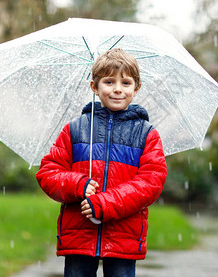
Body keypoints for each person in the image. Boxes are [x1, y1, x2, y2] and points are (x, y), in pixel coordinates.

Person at [36, 48, 167, 277]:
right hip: (79, 234)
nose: (117, 89)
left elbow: (151, 183)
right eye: (109, 81)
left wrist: (105, 204)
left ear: (136, 89)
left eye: (125, 83)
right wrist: (77, 185)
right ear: (94, 87)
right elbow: (48, 172)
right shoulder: (75, 129)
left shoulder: (146, 134)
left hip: (123, 238)